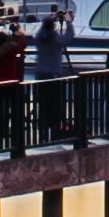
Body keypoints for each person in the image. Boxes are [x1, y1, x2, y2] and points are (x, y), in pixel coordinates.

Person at [32, 8, 76, 138]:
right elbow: (69, 35)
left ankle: (43, 130)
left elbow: (42, 29)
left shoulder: (40, 37)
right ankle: (55, 129)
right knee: (55, 103)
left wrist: (52, 17)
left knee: (43, 102)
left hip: (40, 74)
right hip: (53, 74)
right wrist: (68, 21)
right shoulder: (56, 39)